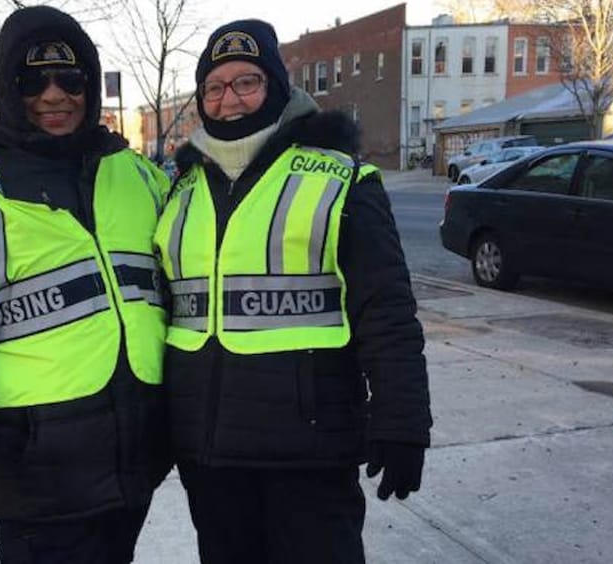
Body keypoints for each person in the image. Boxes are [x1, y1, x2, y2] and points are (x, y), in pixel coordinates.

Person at [0, 6, 171, 563]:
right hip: (34, 479)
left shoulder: (136, 173)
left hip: (132, 465)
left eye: (70, 79)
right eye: (32, 80)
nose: (54, 95)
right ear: (5, 87)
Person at [153, 20, 432, 563]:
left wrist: (402, 422)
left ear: (276, 88)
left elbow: (388, 313)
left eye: (246, 82)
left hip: (308, 453)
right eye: (214, 87)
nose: (228, 100)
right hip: (209, 457)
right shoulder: (180, 189)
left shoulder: (340, 179)